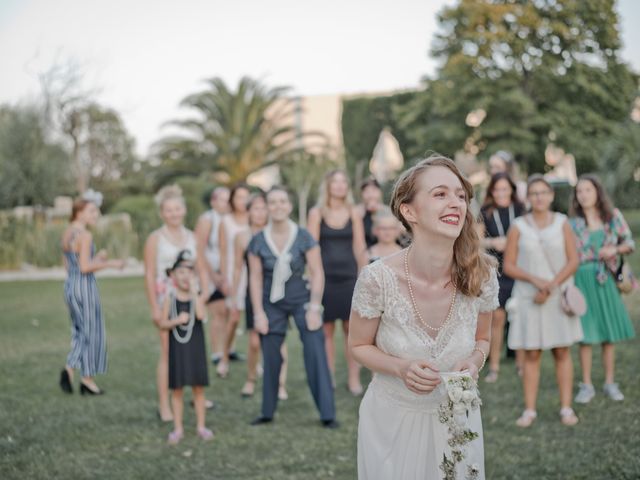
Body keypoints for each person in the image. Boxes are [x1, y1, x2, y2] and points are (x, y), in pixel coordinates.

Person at [349, 155, 498, 479]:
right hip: (391, 422)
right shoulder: (378, 279)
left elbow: (483, 339)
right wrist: (400, 367)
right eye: (440, 194)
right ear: (409, 211)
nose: (456, 203)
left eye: (460, 195)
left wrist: (474, 361)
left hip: (458, 421)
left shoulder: (482, 275)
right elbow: (358, 345)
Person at [248, 186, 337, 428]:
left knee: (314, 349)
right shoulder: (257, 241)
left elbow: (317, 272)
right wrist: (258, 313)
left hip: (302, 299)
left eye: (282, 202)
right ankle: (267, 411)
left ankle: (328, 414)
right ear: (266, 207)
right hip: (270, 303)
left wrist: (314, 308)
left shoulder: (304, 236)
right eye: (272, 202)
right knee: (271, 356)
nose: (277, 206)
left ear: (289, 206)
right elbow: (255, 279)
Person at [504, 174, 582, 427]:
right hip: (529, 297)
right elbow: (509, 265)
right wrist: (536, 281)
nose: (539, 197)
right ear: (529, 197)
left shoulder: (562, 223)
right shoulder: (518, 226)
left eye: (543, 192)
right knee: (532, 354)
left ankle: (566, 408)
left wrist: (551, 285)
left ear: (551, 196)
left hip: (557, 296)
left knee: (562, 351)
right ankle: (529, 410)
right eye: (534, 193)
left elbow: (573, 260)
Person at [143, 185, 209, 422]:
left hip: (190, 298)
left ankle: (196, 393)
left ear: (184, 209)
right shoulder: (155, 239)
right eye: (168, 210)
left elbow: (200, 267)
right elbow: (150, 273)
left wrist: (202, 295)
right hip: (166, 297)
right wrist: (154, 306)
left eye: (177, 209)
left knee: (193, 348)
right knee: (169, 351)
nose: (174, 214)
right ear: (162, 213)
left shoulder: (192, 237)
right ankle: (165, 403)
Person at [569, 174, 636, 403]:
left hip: (605, 279)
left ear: (597, 192)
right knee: (586, 336)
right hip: (582, 280)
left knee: (609, 334)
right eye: (579, 191)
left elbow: (630, 243)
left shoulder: (612, 217)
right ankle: (586, 385)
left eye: (588, 190)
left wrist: (614, 251)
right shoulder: (572, 223)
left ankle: (610, 383)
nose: (584, 194)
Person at [59, 194, 125, 395]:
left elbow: (72, 266)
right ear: (79, 213)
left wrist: (97, 258)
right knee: (92, 332)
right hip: (85, 287)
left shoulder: (67, 233)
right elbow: (86, 268)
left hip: (70, 285)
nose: (96, 215)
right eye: (92, 211)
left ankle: (78, 375)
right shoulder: (85, 235)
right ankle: (81, 375)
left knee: (80, 330)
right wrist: (110, 263)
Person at [308, 169, 367, 395]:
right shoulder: (316, 213)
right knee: (326, 331)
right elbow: (312, 248)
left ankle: (353, 379)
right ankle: (329, 376)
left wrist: (363, 278)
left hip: (350, 278)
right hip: (325, 279)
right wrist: (315, 277)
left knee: (351, 331)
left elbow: (359, 247)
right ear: (328, 186)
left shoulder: (354, 212)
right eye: (336, 182)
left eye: (344, 182)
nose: (340, 186)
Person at [231, 192, 289, 399]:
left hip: (277, 291)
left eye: (263, 207)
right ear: (248, 211)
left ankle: (280, 384)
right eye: (255, 208)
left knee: (279, 340)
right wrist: (233, 294)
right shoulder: (242, 237)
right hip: (253, 292)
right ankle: (250, 379)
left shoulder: (277, 233)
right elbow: (238, 268)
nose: (260, 212)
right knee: (255, 342)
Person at [158, 250, 213, 444]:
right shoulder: (169, 299)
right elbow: (162, 324)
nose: (184, 277)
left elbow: (200, 315)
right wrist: (176, 321)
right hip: (178, 350)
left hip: (195, 349)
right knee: (178, 390)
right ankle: (178, 428)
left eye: (188, 273)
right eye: (180, 273)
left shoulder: (195, 297)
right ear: (173, 276)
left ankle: (201, 426)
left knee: (198, 389)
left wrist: (194, 292)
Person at [478, 173, 525, 382]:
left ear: (511, 190)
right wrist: (493, 243)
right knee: (497, 317)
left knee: (520, 316)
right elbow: (477, 242)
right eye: (497, 189)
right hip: (497, 270)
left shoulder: (521, 210)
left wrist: (514, 242)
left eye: (505, 189)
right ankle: (494, 366)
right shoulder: (486, 212)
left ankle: (521, 364)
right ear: (491, 191)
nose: (501, 193)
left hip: (519, 268)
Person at [216, 183, 251, 378]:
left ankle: (258, 359)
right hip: (233, 273)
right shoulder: (226, 221)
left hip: (252, 273)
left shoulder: (255, 218)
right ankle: (224, 357)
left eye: (246, 197)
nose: (243, 201)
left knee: (255, 320)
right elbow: (222, 251)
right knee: (234, 318)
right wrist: (223, 278)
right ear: (232, 200)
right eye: (239, 197)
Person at [195, 186, 230, 366]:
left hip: (225, 272)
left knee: (227, 312)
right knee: (217, 311)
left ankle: (227, 348)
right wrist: (212, 276)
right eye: (222, 199)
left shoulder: (229, 219)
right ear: (213, 202)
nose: (226, 203)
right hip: (210, 273)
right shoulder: (207, 219)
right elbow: (199, 249)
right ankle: (216, 352)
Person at [357, 177, 385, 248]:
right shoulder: (356, 212)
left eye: (374, 190)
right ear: (362, 194)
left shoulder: (388, 211)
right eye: (366, 191)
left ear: (380, 192)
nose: (370, 194)